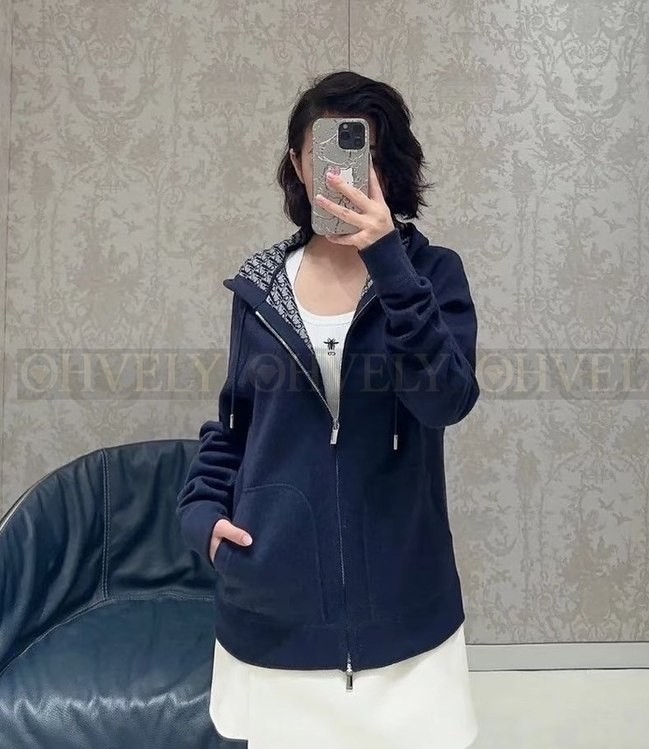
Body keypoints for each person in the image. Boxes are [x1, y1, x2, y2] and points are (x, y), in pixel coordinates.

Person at [175, 70, 480, 749]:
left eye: (361, 151)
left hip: (406, 610)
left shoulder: (433, 275)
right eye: (326, 153)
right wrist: (202, 513)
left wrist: (389, 261)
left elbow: (445, 399)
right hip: (274, 606)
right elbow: (235, 425)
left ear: (387, 164)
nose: (343, 173)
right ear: (298, 163)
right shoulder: (260, 288)